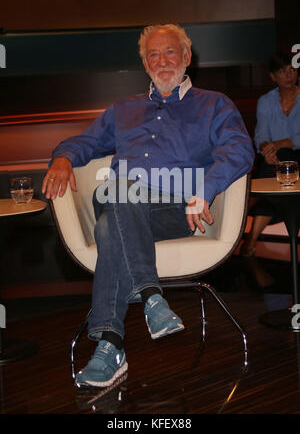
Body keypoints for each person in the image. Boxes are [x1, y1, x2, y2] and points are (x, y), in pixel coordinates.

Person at [42, 23, 254, 388]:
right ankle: (152, 299)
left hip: (177, 210)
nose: (162, 60)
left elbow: (239, 150)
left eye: (170, 51)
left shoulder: (213, 104)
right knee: (122, 189)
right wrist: (62, 157)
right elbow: (84, 142)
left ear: (187, 57)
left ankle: (111, 345)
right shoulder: (122, 109)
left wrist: (205, 189)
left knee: (110, 226)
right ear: (145, 65)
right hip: (121, 197)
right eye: (152, 55)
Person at [240, 52, 300, 257]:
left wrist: (277, 144)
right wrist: (266, 149)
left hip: (296, 155)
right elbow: (261, 135)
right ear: (273, 76)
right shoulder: (266, 101)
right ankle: (250, 243)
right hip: (275, 159)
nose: (289, 75)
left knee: (277, 162)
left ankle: (245, 232)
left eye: (292, 70)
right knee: (273, 165)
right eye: (282, 71)